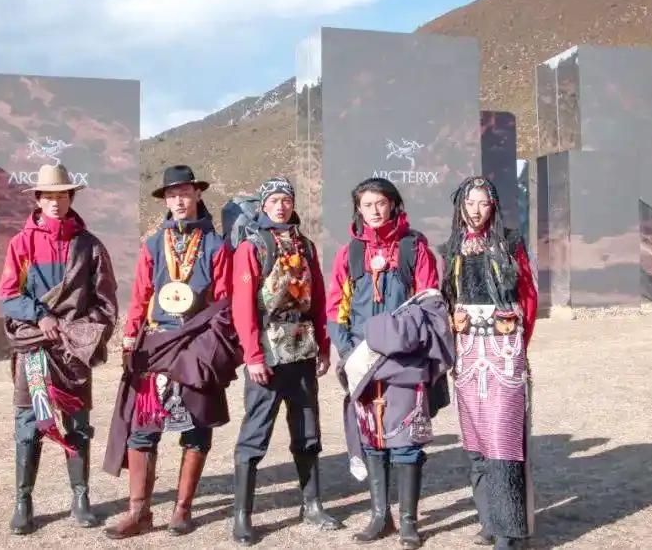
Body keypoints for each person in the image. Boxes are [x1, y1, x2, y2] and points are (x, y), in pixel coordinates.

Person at [104, 164, 232, 539]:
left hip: (197, 345)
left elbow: (224, 300)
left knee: (196, 428)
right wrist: (130, 338)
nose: (178, 200)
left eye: (184, 193)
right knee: (143, 428)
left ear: (197, 194)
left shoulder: (215, 245)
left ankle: (182, 510)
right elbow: (141, 293)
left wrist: (212, 345)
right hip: (157, 343)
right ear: (165, 200)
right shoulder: (153, 245)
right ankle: (139, 512)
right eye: (172, 195)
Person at [0, 163, 119, 535]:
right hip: (35, 349)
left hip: (72, 351)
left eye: (62, 195)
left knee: (78, 423)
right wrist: (41, 317)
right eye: (48, 195)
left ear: (71, 198)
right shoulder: (22, 244)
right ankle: (23, 502)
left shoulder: (90, 246)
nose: (55, 202)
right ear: (37, 198)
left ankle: (81, 497)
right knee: (29, 425)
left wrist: (80, 332)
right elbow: (8, 296)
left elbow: (105, 302)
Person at [327, 177, 442, 549]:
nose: (375, 211)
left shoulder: (414, 248)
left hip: (405, 360)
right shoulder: (349, 254)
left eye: (381, 203)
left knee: (406, 440)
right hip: (362, 362)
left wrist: (401, 342)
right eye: (367, 205)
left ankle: (408, 521)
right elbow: (336, 309)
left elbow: (429, 302)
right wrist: (348, 352)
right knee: (372, 439)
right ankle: (380, 516)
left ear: (393, 204)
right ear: (358, 210)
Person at [229, 177, 342, 545]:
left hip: (303, 349)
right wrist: (252, 355)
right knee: (255, 432)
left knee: (307, 429)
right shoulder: (252, 247)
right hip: (267, 352)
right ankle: (242, 515)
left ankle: (312, 504)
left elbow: (319, 298)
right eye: (274, 200)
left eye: (286, 200)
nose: (281, 206)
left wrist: (324, 346)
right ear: (263, 205)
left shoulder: (305, 246)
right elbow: (242, 306)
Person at [440, 176, 538, 550]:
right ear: (460, 206)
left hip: (504, 351)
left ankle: (509, 531)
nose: (476, 210)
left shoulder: (510, 243)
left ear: (493, 206)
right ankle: (488, 520)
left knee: (504, 438)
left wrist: (517, 344)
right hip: (467, 354)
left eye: (483, 203)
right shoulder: (451, 249)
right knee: (476, 438)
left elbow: (527, 297)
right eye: (470, 203)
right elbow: (447, 301)